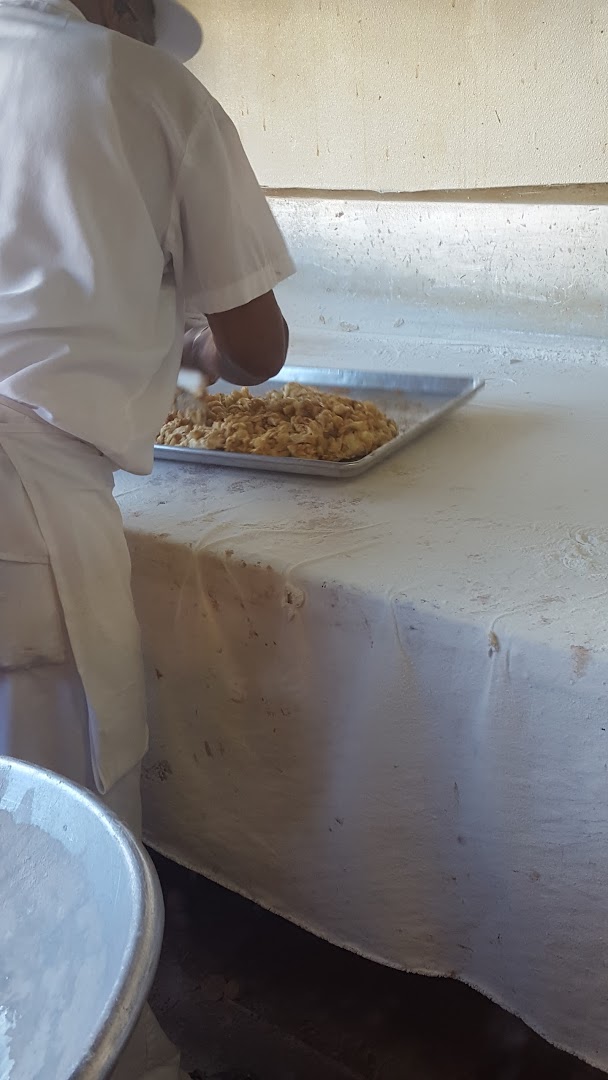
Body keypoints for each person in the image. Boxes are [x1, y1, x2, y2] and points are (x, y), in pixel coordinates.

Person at [0, 0, 294, 1075]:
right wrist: (201, 344)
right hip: (25, 499)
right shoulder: (151, 89)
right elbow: (258, 347)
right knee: (61, 832)